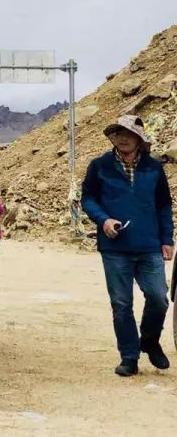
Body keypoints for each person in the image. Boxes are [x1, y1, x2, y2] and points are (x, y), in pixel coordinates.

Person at [81, 114, 174, 377]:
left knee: (159, 298)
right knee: (121, 304)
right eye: (118, 133)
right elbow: (87, 198)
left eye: (129, 134)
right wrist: (103, 220)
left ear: (139, 139)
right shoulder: (99, 166)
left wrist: (167, 239)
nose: (122, 138)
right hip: (115, 248)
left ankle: (149, 340)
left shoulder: (154, 168)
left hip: (149, 245)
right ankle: (129, 357)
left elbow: (164, 205)